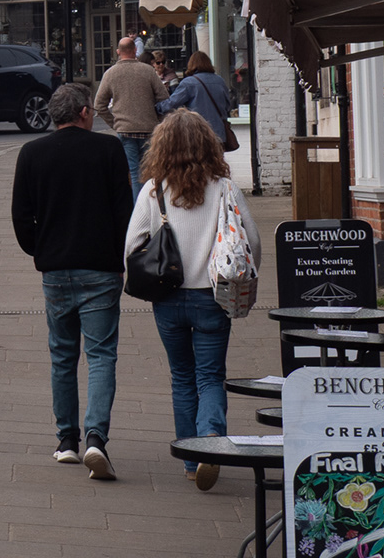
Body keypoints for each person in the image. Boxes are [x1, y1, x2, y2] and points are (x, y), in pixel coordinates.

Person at [125, 109, 260, 492]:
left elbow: (132, 246)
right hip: (213, 298)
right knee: (210, 375)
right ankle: (211, 445)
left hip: (168, 299)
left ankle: (190, 458)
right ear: (207, 144)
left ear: (161, 147)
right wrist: (243, 284)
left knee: (182, 377)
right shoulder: (224, 188)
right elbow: (252, 242)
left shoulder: (154, 190)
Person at [11, 81, 135, 481]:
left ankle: (67, 441)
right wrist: (120, 258)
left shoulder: (32, 154)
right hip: (101, 269)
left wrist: (41, 252)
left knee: (62, 356)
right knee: (100, 356)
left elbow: (20, 216)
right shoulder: (108, 150)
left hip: (56, 271)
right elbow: (124, 211)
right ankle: (96, 437)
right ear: (83, 112)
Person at [92, 36, 167, 197]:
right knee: (150, 173)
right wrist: (158, 120)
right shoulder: (148, 71)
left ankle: (137, 212)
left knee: (133, 173)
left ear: (118, 52)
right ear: (135, 50)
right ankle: (153, 208)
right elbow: (164, 98)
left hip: (125, 130)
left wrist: (115, 123)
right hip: (148, 128)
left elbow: (99, 105)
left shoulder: (110, 74)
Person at [157, 51, 235, 145]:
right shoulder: (220, 81)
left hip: (197, 133)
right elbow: (227, 105)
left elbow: (172, 103)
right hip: (219, 133)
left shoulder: (189, 83)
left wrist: (157, 107)